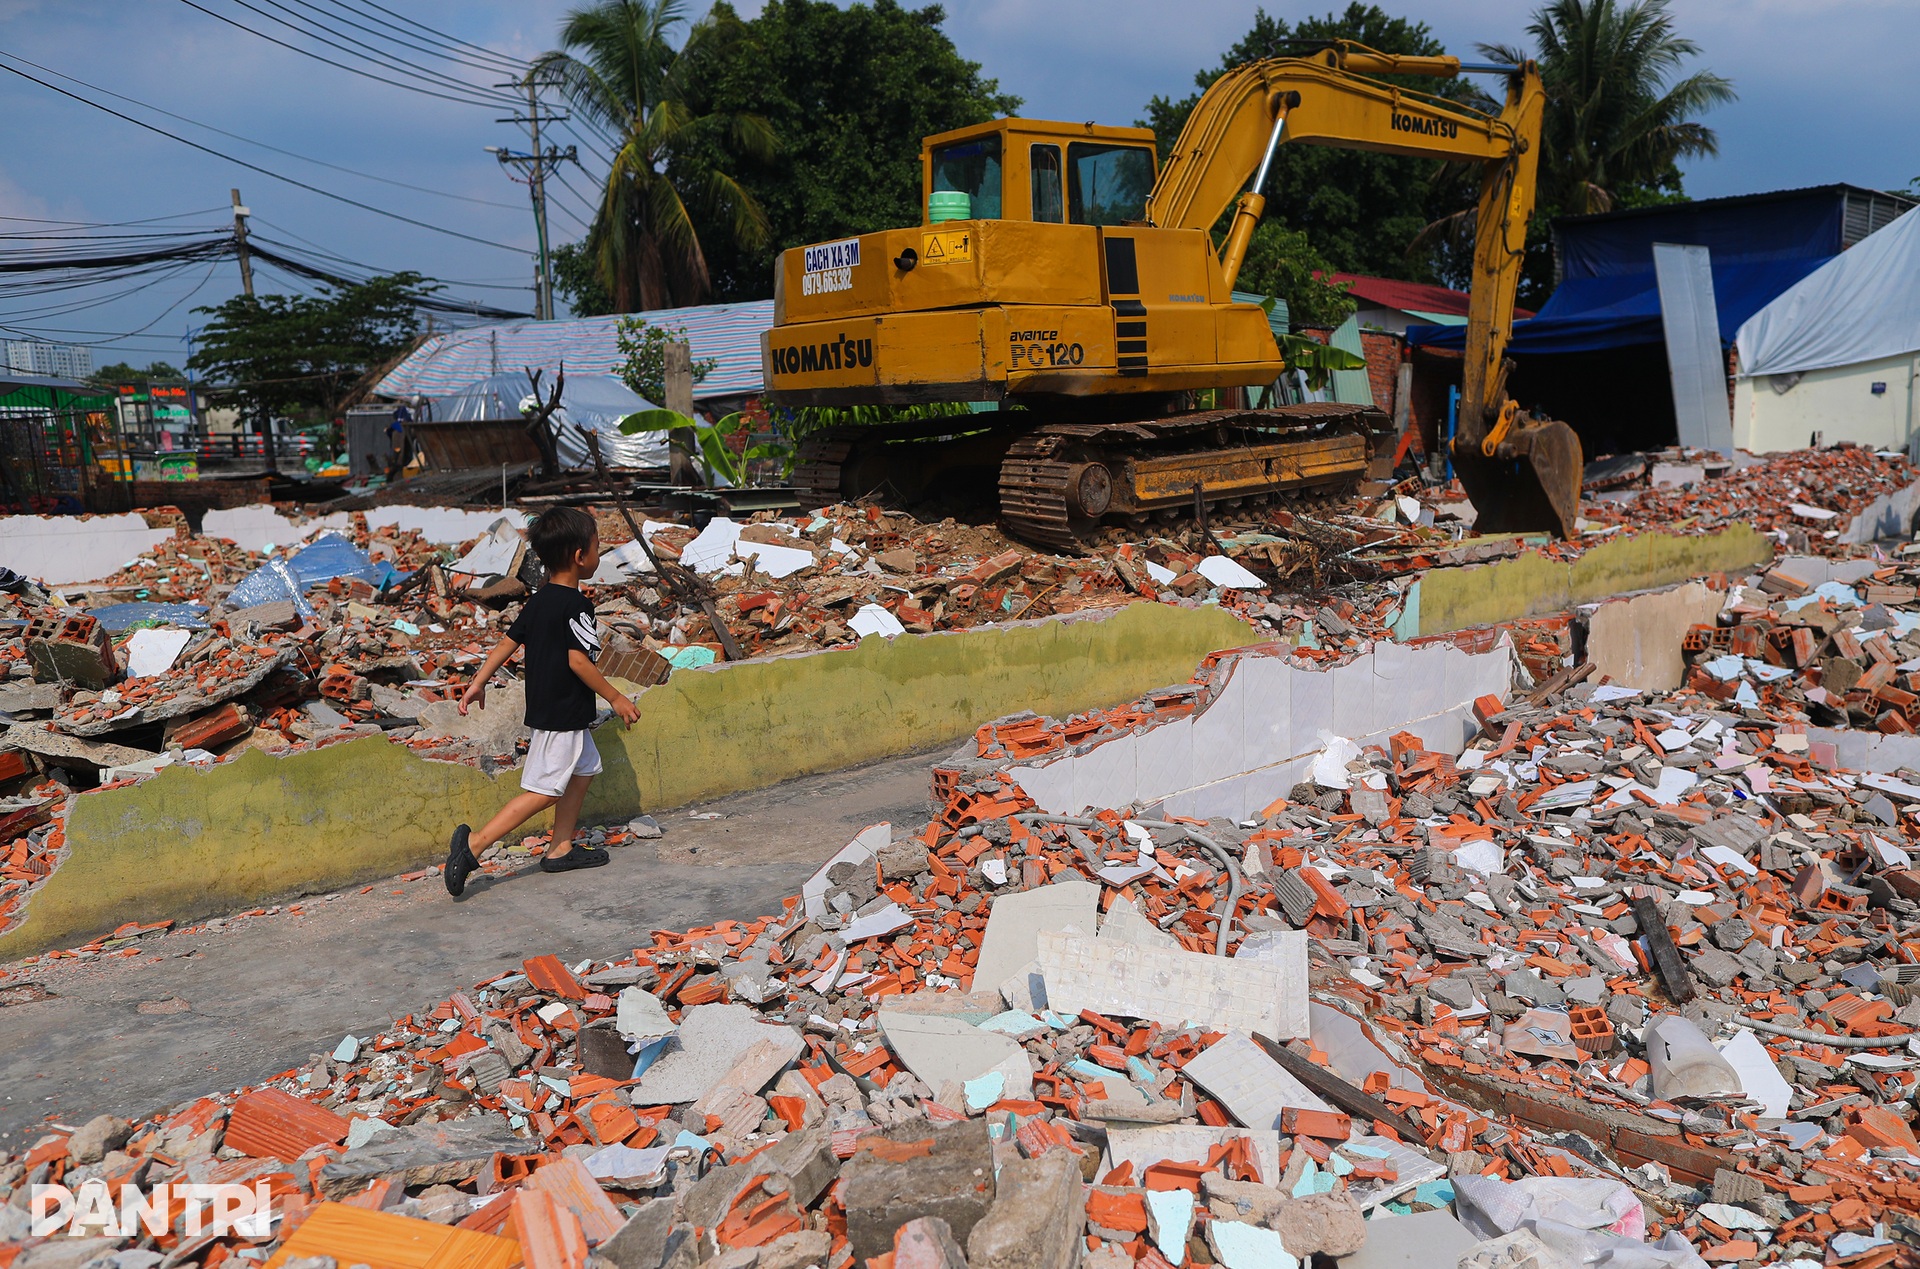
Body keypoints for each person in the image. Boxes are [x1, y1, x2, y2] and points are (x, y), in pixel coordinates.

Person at [443, 506, 640, 895]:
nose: (599, 555)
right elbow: (577, 660)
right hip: (563, 713)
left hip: (554, 709)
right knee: (546, 790)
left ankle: (559, 848)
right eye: (598, 548)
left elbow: (507, 643)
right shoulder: (577, 606)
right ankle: (473, 845)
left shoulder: (538, 601)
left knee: (583, 771)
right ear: (580, 556)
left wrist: (478, 682)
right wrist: (615, 696)